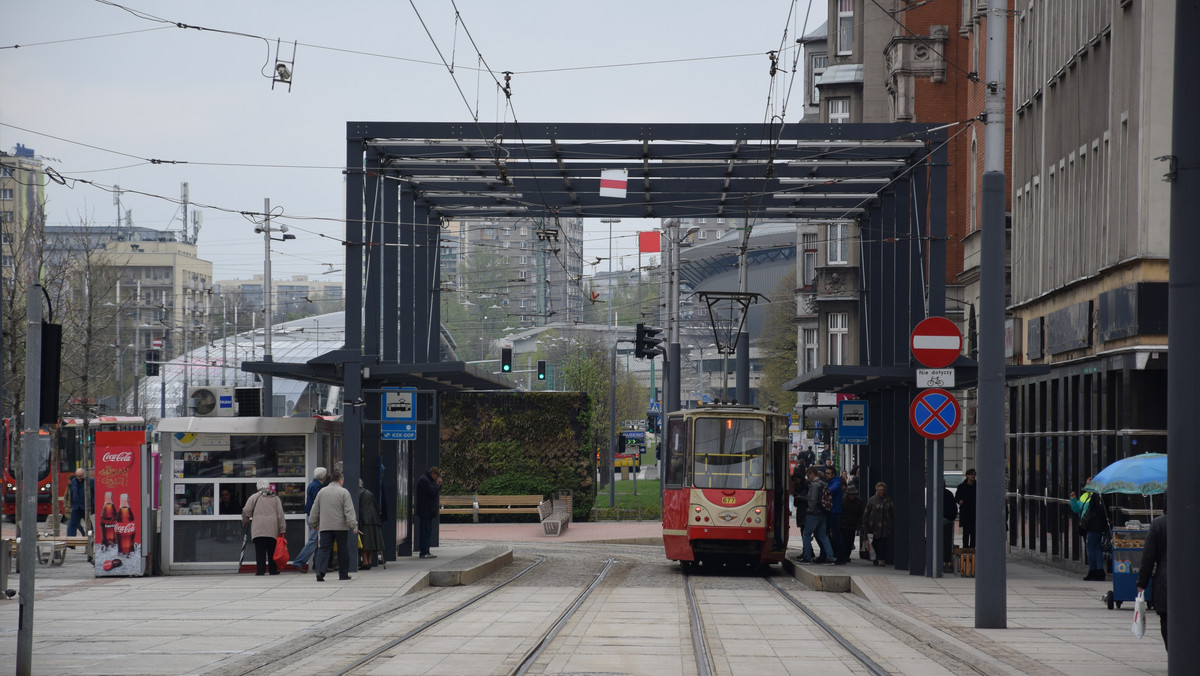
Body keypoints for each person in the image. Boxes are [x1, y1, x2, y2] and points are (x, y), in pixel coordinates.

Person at [310, 469, 358, 582]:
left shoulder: (322, 492)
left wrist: (314, 523)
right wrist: (353, 525)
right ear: (340, 480)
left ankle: (320, 572)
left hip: (325, 526)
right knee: (343, 550)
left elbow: (315, 509)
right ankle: (343, 574)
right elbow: (349, 511)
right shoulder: (344, 492)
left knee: (324, 549)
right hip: (340, 527)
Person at [1136, 498, 1167, 651]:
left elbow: (1148, 557)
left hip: (1164, 581)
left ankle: (1174, 653)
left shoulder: (1159, 524)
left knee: (1166, 620)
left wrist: (1142, 582)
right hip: (1190, 584)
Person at [241, 479, 286, 576]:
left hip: (258, 529)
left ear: (258, 487)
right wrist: (282, 529)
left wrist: (246, 521)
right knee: (272, 550)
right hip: (273, 529)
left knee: (260, 550)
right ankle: (273, 570)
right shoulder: (275, 498)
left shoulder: (253, 497)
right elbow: (280, 515)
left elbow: (246, 511)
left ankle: (260, 570)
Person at [1069, 477, 1109, 581]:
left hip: (1092, 526)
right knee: (1096, 547)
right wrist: (1073, 500)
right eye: (1087, 483)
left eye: (1090, 484)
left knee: (1090, 547)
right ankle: (1099, 571)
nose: (1087, 486)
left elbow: (1094, 512)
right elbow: (1077, 509)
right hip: (1091, 526)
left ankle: (1093, 571)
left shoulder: (1095, 496)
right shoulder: (1086, 496)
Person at [290, 467, 327, 572]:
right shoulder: (317, 487)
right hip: (314, 516)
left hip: (310, 515)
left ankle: (318, 564)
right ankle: (299, 562)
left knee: (316, 541)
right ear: (324, 476)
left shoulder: (312, 485)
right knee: (314, 541)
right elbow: (317, 504)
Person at [798, 467, 833, 564]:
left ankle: (807, 557)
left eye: (808, 475)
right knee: (823, 536)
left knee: (806, 534)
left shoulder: (814, 485)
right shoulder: (823, 483)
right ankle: (830, 557)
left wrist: (809, 510)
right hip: (823, 513)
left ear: (812, 474)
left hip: (813, 514)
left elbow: (812, 500)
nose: (808, 477)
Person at [862, 481, 895, 566]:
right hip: (873, 525)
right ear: (876, 490)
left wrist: (891, 523)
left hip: (885, 525)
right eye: (879, 490)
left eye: (882, 490)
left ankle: (882, 559)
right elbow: (867, 512)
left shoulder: (888, 500)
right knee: (874, 543)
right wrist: (864, 523)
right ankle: (875, 558)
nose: (881, 492)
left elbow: (892, 513)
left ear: (885, 490)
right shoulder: (872, 500)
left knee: (883, 543)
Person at [415, 466, 442, 559]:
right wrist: (438, 485)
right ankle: (424, 551)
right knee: (425, 531)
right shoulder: (425, 480)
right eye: (436, 476)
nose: (436, 479)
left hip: (427, 510)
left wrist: (437, 485)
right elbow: (432, 492)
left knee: (427, 531)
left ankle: (426, 551)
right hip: (425, 510)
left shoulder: (427, 479)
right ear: (433, 474)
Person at [358, 478, 384, 570]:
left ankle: (365, 563)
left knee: (364, 543)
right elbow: (377, 507)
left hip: (364, 521)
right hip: (374, 521)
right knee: (371, 543)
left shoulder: (356, 493)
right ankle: (369, 562)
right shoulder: (369, 493)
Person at [824, 467, 847, 564]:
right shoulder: (831, 482)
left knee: (836, 535)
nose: (826, 475)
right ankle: (830, 554)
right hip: (831, 512)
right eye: (826, 473)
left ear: (833, 474)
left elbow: (828, 491)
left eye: (828, 473)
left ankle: (841, 556)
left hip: (835, 512)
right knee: (826, 534)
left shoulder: (836, 484)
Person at [65, 467, 91, 539]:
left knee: (90, 525)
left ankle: (90, 542)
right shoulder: (73, 481)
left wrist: (91, 505)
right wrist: (71, 505)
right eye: (78, 476)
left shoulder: (90, 481)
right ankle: (71, 543)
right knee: (72, 525)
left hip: (86, 507)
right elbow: (71, 493)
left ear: (84, 475)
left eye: (81, 476)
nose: (79, 478)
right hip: (76, 507)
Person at [840, 484, 863, 560]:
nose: (852, 496)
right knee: (844, 540)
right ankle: (844, 555)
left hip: (852, 524)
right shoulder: (843, 500)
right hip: (844, 524)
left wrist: (859, 525)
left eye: (853, 494)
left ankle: (847, 555)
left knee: (850, 541)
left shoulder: (859, 501)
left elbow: (861, 514)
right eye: (851, 494)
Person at [955, 468, 977, 548]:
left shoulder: (977, 486)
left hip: (974, 512)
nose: (973, 476)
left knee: (974, 532)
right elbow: (957, 497)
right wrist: (959, 501)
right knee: (966, 531)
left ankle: (972, 548)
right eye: (972, 474)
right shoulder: (961, 486)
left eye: (974, 474)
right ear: (967, 476)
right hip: (965, 512)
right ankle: (965, 547)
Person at [943, 486, 958, 572]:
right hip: (949, 519)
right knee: (947, 541)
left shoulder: (940, 493)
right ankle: (947, 559)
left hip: (944, 518)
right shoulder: (948, 493)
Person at [791, 462, 808, 530]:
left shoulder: (806, 485)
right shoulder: (796, 488)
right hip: (801, 512)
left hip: (806, 511)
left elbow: (810, 499)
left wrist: (800, 497)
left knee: (805, 531)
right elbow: (795, 504)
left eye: (796, 480)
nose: (795, 482)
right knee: (803, 530)